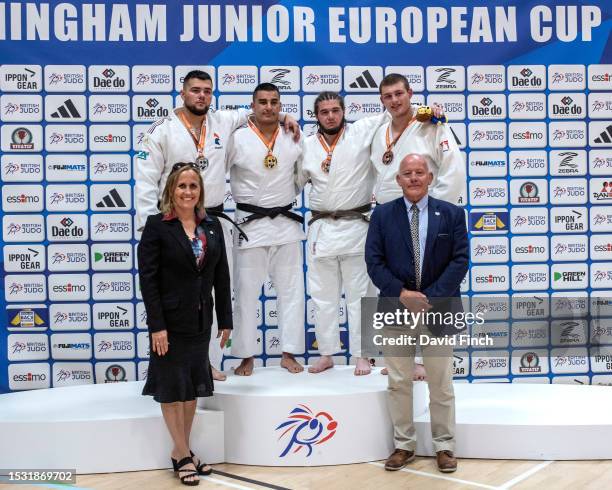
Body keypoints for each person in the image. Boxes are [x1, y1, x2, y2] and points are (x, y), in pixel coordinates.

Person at [135, 70, 299, 381]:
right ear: (182, 93)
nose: (201, 96)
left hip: (212, 221)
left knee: (211, 295)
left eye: (207, 92)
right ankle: (171, 364)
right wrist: (149, 231)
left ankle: (209, 363)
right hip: (173, 223)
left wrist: (286, 115)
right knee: (179, 295)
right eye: (195, 91)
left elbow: (259, 112)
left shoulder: (222, 121)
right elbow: (145, 183)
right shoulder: (161, 131)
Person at [365, 154, 468, 473]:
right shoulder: (382, 215)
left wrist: (428, 298)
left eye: (419, 172)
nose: (413, 178)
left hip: (440, 309)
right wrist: (402, 294)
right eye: (407, 173)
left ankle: (445, 446)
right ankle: (403, 444)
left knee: (441, 383)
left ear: (430, 177)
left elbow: (460, 260)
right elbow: (374, 261)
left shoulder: (451, 214)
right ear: (397, 180)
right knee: (398, 382)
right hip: (396, 309)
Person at [138, 163, 232, 485]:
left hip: (200, 322)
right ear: (171, 191)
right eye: (182, 186)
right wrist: (157, 326)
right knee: (171, 390)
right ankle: (181, 454)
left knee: (191, 390)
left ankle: (183, 452)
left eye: (193, 186)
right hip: (169, 324)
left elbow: (221, 275)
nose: (188, 192)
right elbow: (148, 282)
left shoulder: (213, 225)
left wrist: (226, 320)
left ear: (200, 191)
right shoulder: (157, 226)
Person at [297, 92, 385, 376]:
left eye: (335, 110)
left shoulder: (360, 132)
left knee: (360, 296)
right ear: (316, 116)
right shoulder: (307, 146)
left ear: (344, 111)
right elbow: (296, 181)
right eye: (324, 112)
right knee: (323, 297)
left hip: (357, 226)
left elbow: (393, 111)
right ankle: (326, 353)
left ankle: (363, 355)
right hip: (322, 229)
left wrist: (427, 110)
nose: (331, 116)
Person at [226, 82, 305, 376]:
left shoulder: (294, 136)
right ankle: (246, 356)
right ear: (253, 105)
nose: (269, 107)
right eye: (263, 102)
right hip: (250, 225)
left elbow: (302, 174)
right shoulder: (237, 138)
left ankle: (288, 353)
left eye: (274, 102)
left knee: (292, 292)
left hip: (285, 224)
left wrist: (288, 120)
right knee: (246, 293)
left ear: (280, 105)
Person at [371, 73, 466, 206]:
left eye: (399, 93)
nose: (394, 100)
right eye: (388, 96)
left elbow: (454, 171)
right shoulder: (379, 132)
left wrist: (435, 208)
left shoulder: (432, 124)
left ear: (409, 93)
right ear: (382, 100)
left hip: (422, 210)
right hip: (386, 214)